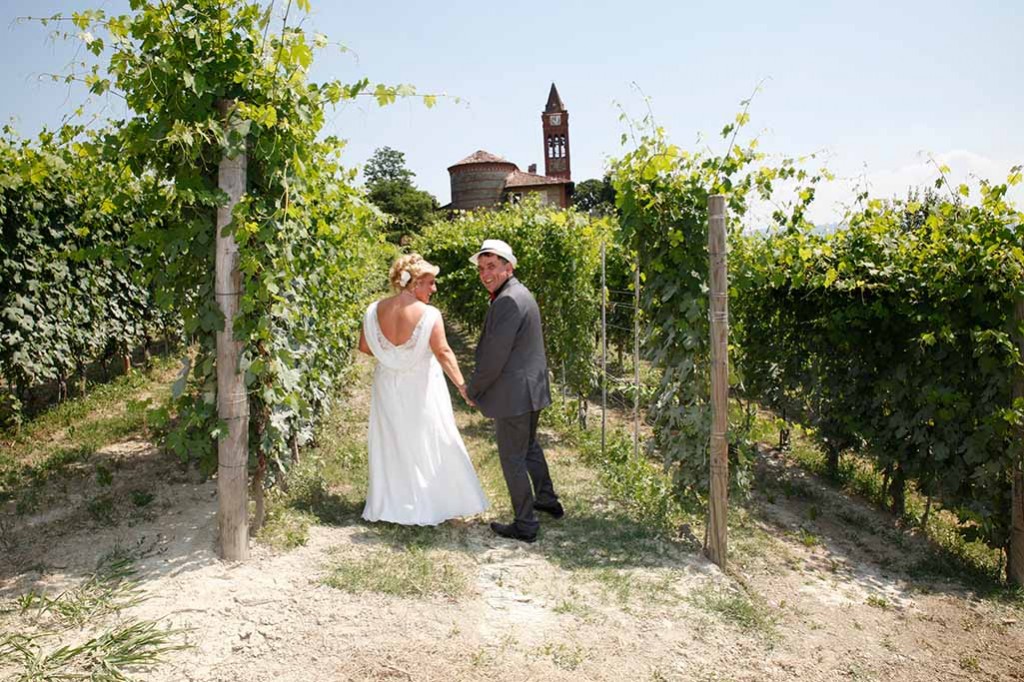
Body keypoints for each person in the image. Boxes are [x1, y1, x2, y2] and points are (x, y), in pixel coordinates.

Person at [357, 254, 488, 525]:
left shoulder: (373, 310)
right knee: (428, 438)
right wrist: (462, 386)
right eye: (430, 283)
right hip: (421, 386)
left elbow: (365, 348)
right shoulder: (429, 314)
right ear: (413, 283)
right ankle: (429, 502)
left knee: (391, 440)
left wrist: (391, 356)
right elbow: (442, 351)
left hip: (386, 386)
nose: (434, 289)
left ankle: (390, 504)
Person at [466, 239, 563, 543]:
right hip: (531, 389)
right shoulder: (520, 293)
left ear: (509, 267)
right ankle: (546, 500)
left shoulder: (508, 300)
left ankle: (526, 524)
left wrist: (475, 389)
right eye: (481, 268)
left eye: (492, 266)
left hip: (515, 394)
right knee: (529, 446)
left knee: (513, 458)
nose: (485, 273)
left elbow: (495, 356)